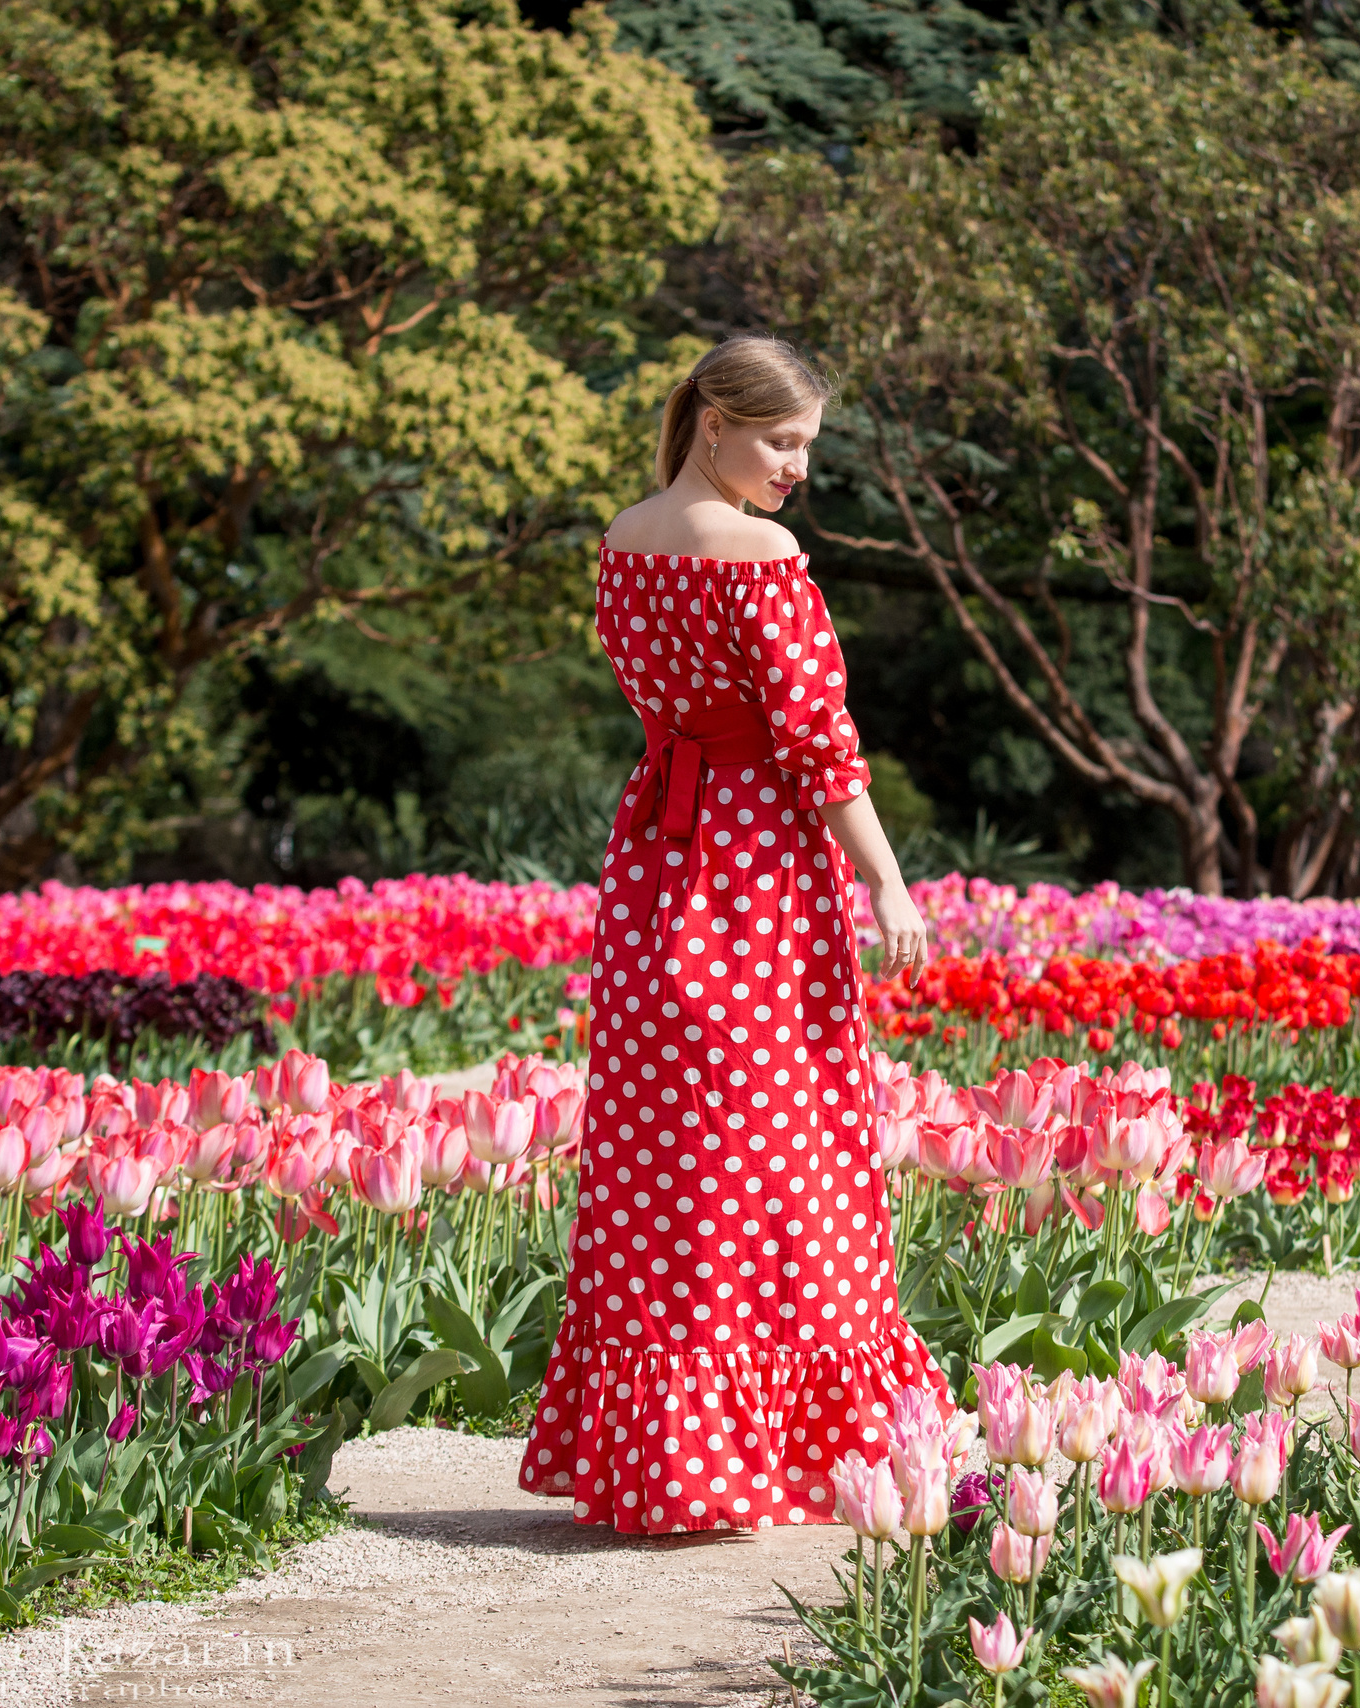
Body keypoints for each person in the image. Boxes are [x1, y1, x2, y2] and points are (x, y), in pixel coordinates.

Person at [518, 335, 947, 1533]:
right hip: (754, 872)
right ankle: (775, 1451)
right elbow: (818, 741)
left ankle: (672, 1457)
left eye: (807, 444)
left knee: (668, 1159)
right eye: (780, 440)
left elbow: (665, 707)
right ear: (712, 421)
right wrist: (890, 886)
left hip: (658, 869)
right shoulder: (755, 553)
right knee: (781, 1161)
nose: (797, 466)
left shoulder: (623, 538)